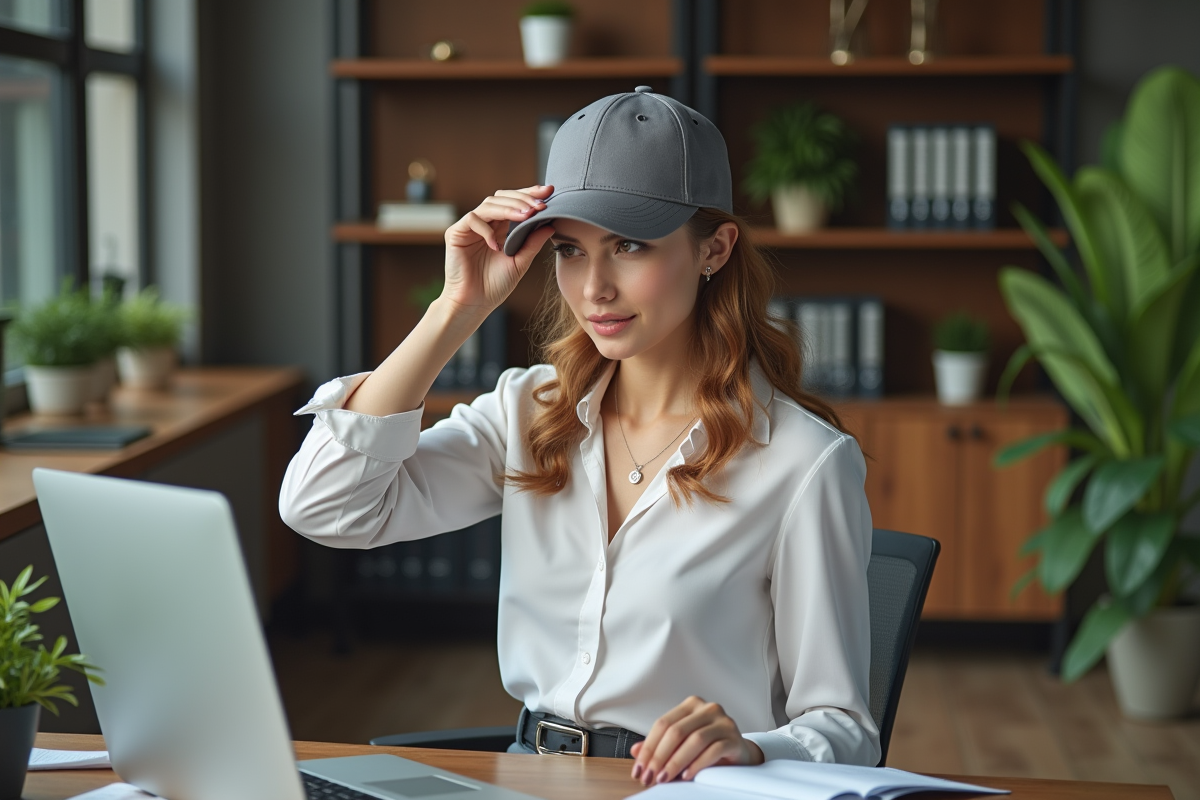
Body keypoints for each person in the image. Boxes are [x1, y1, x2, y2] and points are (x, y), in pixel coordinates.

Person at [279, 86, 880, 783]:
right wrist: (455, 309)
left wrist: (750, 746)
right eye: (568, 250)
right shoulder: (528, 412)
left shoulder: (803, 461)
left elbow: (844, 730)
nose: (593, 287)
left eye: (629, 246)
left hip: (694, 792)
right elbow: (324, 507)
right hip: (527, 778)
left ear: (714, 248)